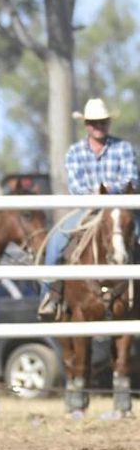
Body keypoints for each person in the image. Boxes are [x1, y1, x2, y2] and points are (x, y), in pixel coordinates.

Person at [39, 98, 139, 317]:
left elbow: (132, 180)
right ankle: (50, 296)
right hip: (88, 209)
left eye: (102, 122)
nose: (98, 126)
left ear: (108, 123)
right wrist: (103, 193)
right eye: (94, 122)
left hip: (121, 209)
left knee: (136, 234)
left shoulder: (123, 148)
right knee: (56, 241)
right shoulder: (75, 152)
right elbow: (77, 187)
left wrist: (106, 192)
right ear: (86, 125)